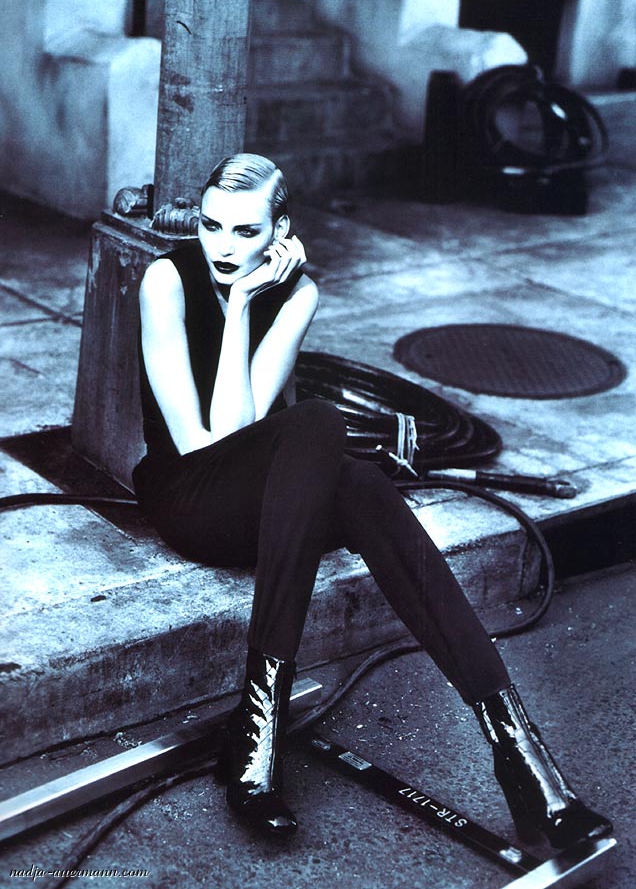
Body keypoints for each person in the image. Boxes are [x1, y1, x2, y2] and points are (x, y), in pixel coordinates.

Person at [133, 153, 611, 844]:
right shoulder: (165, 281)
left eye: (246, 230)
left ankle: (517, 750)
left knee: (359, 481)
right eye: (212, 226)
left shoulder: (299, 295)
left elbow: (259, 424)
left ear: (280, 231)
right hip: (192, 498)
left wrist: (256, 302)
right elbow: (211, 443)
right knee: (321, 425)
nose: (224, 246)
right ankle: (261, 724)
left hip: (270, 502)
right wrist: (238, 307)